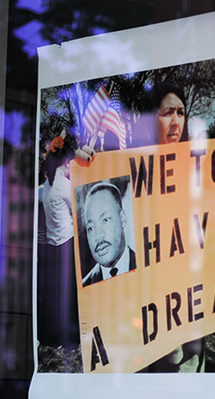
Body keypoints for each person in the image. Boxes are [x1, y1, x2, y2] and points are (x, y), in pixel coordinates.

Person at [38, 131, 79, 350]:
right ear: (64, 163)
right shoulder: (64, 186)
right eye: (70, 163)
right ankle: (70, 337)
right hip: (67, 243)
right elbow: (76, 213)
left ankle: (56, 335)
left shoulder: (47, 187)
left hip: (54, 244)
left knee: (57, 295)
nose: (73, 166)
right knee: (70, 293)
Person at [82, 183, 137, 286]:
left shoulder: (146, 266)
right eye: (91, 228)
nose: (98, 236)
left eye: (105, 220)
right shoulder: (85, 285)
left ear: (123, 218)